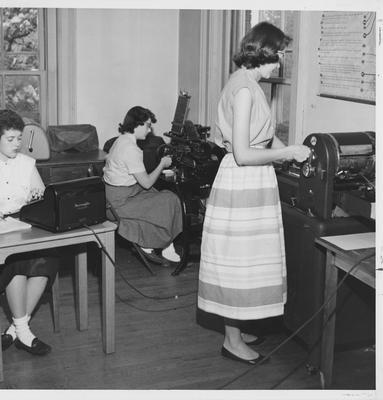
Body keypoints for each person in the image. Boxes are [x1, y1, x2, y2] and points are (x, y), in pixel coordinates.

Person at [197, 22, 311, 365]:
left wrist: (290, 152)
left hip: (252, 183)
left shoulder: (246, 82)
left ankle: (238, 328)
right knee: (239, 264)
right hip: (243, 181)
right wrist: (287, 154)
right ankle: (232, 340)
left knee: (245, 262)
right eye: (279, 53)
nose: (281, 60)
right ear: (265, 51)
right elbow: (244, 154)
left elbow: (261, 137)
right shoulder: (246, 90)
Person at [0, 109, 56, 356]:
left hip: (26, 227)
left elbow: (41, 195)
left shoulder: (27, 164)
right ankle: (24, 332)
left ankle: (17, 329)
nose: (17, 144)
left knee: (49, 258)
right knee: (17, 261)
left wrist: (37, 197)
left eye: (19, 138)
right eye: (10, 139)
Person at [103, 106, 183, 265]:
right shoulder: (130, 149)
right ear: (136, 125)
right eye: (147, 125)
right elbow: (146, 183)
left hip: (114, 196)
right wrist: (162, 164)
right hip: (120, 203)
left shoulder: (120, 140)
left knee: (161, 195)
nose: (149, 129)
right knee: (169, 199)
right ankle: (155, 244)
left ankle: (163, 244)